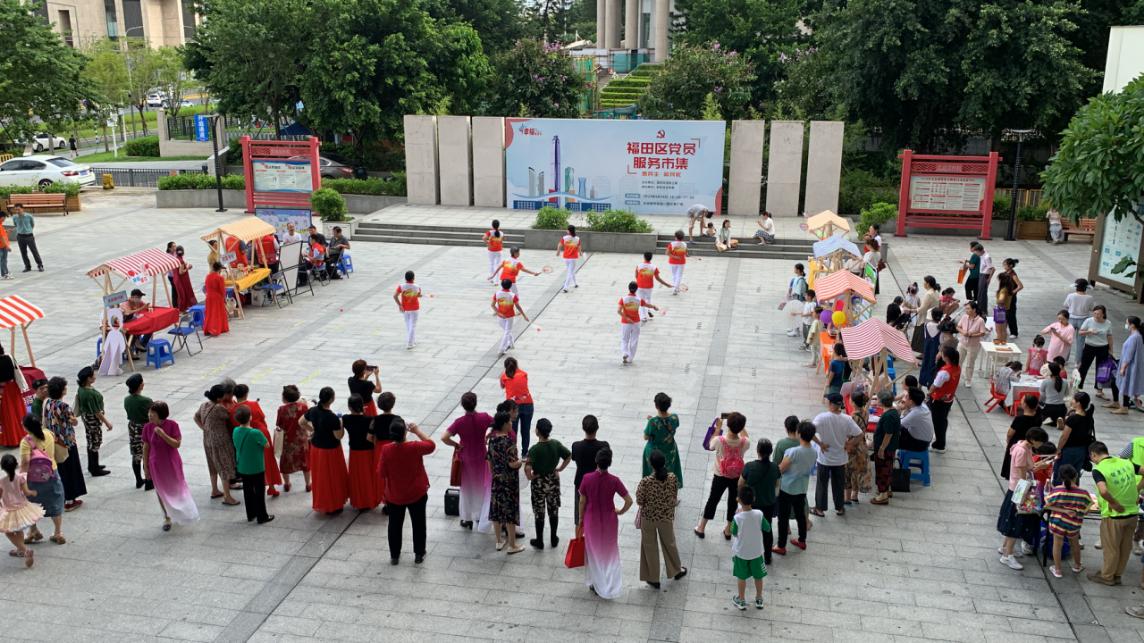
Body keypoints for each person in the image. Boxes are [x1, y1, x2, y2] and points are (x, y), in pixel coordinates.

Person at [577, 448, 632, 599]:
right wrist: (620, 511)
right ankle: (608, 581)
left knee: (593, 552)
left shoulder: (587, 478)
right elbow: (629, 500)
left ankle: (595, 582)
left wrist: (581, 518)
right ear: (609, 463)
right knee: (609, 551)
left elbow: (582, 500)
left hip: (591, 519)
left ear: (596, 461)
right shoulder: (614, 480)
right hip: (609, 520)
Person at [1086, 441, 1144, 585]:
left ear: (1093, 455)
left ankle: (1107, 577)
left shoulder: (1099, 470)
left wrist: (1113, 503)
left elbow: (1103, 490)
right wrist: (1136, 490)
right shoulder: (1125, 462)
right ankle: (1117, 575)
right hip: (1133, 514)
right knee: (1125, 547)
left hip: (1114, 515)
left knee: (1111, 547)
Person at [379, 417, 434, 563]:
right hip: (416, 492)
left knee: (395, 525)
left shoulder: (386, 450)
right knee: (418, 523)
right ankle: (419, 553)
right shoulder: (414, 446)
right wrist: (417, 431)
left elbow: (381, 473)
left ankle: (395, 556)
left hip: (395, 494)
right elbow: (431, 445)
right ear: (405, 433)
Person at [997, 427, 1051, 570]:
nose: (1041, 445)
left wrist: (1038, 466)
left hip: (1017, 489)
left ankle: (1005, 548)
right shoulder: (1022, 450)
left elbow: (1028, 469)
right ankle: (1007, 556)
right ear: (1033, 440)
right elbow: (1022, 476)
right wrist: (1027, 494)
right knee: (1015, 523)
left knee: (1012, 521)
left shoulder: (1023, 446)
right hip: (1019, 491)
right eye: (1040, 441)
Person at [142, 401, 197, 531]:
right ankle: (166, 516)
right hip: (156, 463)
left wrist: (162, 434)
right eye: (149, 413)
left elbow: (176, 444)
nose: (150, 415)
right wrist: (145, 467)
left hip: (172, 462)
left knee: (177, 488)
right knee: (160, 491)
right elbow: (146, 447)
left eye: (153, 414)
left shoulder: (173, 425)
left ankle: (181, 510)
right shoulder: (147, 427)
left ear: (161, 415)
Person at [442, 392, 494, 531]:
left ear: (463, 405)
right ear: (476, 402)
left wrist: (456, 445)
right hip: (482, 456)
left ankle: (467, 518)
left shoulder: (459, 422)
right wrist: (488, 435)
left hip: (466, 458)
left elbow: (444, 437)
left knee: (467, 488)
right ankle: (480, 515)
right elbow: (498, 423)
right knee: (481, 486)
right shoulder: (484, 417)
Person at [695, 412, 749, 538]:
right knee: (733, 502)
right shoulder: (744, 442)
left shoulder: (720, 440)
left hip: (720, 475)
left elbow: (710, 445)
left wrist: (718, 428)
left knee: (713, 500)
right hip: (736, 477)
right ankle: (728, 530)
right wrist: (742, 427)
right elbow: (746, 437)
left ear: (728, 425)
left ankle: (701, 528)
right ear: (741, 427)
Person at [637, 449, 686, 588]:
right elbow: (674, 497)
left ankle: (653, 578)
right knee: (670, 543)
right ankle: (676, 570)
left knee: (649, 546)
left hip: (649, 518)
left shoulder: (646, 482)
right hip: (666, 517)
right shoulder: (672, 478)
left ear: (651, 465)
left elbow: (640, 501)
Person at [810, 394, 862, 517]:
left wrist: (820, 443)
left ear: (831, 404)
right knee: (838, 484)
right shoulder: (847, 419)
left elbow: (809, 430)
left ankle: (820, 509)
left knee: (822, 483)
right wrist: (849, 443)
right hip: (840, 458)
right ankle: (839, 507)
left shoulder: (822, 418)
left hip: (825, 458)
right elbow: (859, 434)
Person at [524, 418, 570, 550]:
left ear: (537, 431)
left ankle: (539, 540)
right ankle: (553, 538)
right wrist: (560, 468)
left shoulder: (534, 449)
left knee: (539, 511)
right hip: (553, 480)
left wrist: (531, 477)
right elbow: (568, 455)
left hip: (539, 482)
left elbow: (527, 467)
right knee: (553, 509)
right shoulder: (555, 444)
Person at [301, 387, 348, 514]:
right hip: (331, 451)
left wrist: (312, 430)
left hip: (317, 448)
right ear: (332, 399)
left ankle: (324, 502)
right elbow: (338, 436)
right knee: (333, 477)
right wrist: (341, 422)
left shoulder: (313, 410)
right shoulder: (332, 417)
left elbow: (301, 422)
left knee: (321, 478)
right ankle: (335, 504)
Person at [773, 421, 817, 554]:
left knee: (783, 517)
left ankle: (781, 545)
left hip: (787, 488)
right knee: (800, 515)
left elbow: (780, 469)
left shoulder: (793, 452)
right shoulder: (814, 452)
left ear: (799, 433)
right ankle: (802, 540)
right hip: (802, 488)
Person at [42, 377, 85, 512]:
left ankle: (59, 497)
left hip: (52, 441)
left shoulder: (47, 402)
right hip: (66, 442)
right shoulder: (64, 406)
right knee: (70, 471)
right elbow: (74, 422)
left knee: (59, 471)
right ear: (62, 390)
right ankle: (69, 500)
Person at [19, 416, 63, 545]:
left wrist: (21, 476)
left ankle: (33, 531)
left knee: (31, 503)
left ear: (26, 427)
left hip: (34, 477)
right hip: (51, 473)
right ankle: (58, 532)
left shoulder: (26, 441)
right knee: (55, 500)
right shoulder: (49, 434)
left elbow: (25, 461)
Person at [1044, 464, 1093, 578]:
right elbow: (1086, 511)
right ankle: (1077, 565)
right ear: (1076, 476)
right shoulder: (1084, 493)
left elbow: (1047, 505)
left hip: (1058, 522)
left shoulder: (1056, 491)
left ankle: (1058, 570)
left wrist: (1063, 510)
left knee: (1057, 545)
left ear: (1060, 478)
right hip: (1074, 524)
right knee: (1074, 543)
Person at [194, 384, 239, 506]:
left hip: (207, 439)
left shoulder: (204, 405)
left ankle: (214, 490)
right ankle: (227, 496)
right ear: (219, 398)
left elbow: (195, 417)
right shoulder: (219, 408)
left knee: (212, 464)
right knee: (224, 466)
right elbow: (231, 416)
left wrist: (204, 428)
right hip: (220, 441)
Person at [233, 384, 281, 497]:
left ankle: (256, 486)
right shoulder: (254, 404)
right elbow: (262, 418)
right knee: (268, 460)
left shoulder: (234, 410)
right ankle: (272, 487)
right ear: (246, 393)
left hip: (246, 434)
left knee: (252, 460)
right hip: (261, 432)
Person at [487, 411, 525, 554]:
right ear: (504, 424)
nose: (511, 423)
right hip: (509, 482)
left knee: (496, 510)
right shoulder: (509, 443)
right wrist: (522, 461)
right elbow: (512, 464)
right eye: (509, 422)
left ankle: (498, 541)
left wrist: (495, 475)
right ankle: (512, 545)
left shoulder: (492, 440)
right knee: (510, 512)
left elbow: (489, 461)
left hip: (496, 480)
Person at [739, 439, 779, 562]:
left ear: (758, 451)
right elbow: (777, 485)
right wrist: (773, 496)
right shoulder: (774, 467)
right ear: (771, 452)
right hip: (768, 503)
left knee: (749, 528)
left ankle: (748, 554)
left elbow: (740, 484)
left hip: (752, 504)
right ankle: (768, 556)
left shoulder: (750, 467)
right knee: (767, 529)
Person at [232, 406, 273, 525]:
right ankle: (262, 516)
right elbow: (267, 445)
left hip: (243, 466)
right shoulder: (255, 432)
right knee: (259, 491)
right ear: (250, 417)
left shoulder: (235, 430)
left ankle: (251, 514)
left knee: (248, 491)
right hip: (256, 466)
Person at [729, 486, 768, 610]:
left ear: (739, 500)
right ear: (754, 499)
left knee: (741, 577)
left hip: (741, 552)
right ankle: (759, 598)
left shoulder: (737, 518)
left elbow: (733, 532)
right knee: (758, 576)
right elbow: (767, 528)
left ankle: (741, 599)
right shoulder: (759, 514)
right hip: (756, 552)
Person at [0, 452, 42, 566]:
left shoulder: (1, 482)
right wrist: (33, 493)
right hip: (22, 507)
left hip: (10, 510)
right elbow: (27, 492)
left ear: (2, 467)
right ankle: (20, 549)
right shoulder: (20, 478)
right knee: (18, 530)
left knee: (8, 532)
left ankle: (24, 549)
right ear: (16, 465)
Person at [341, 395, 380, 512]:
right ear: (362, 406)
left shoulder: (346, 419)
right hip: (368, 452)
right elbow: (374, 438)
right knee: (368, 476)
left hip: (354, 452)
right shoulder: (370, 420)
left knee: (357, 477)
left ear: (349, 407)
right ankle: (369, 499)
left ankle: (359, 501)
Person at [74, 366, 112, 478]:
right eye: (93, 375)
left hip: (87, 417)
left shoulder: (82, 389)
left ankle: (94, 465)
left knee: (91, 441)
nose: (95, 377)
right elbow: (96, 412)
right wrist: (107, 422)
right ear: (88, 379)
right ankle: (94, 469)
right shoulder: (88, 394)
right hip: (92, 419)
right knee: (94, 441)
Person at [571, 415, 609, 526]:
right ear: (597, 428)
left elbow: (573, 458)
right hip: (599, 483)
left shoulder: (576, 446)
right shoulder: (604, 446)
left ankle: (579, 540)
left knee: (579, 517)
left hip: (581, 482)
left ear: (583, 428)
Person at [643, 392, 683, 489]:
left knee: (653, 473)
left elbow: (646, 437)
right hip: (670, 450)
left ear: (656, 406)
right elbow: (673, 425)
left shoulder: (652, 422)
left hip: (654, 452)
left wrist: (650, 421)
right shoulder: (674, 418)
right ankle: (670, 492)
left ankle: (653, 491)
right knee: (670, 472)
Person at [275, 385, 310, 493]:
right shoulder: (303, 407)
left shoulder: (281, 409)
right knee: (305, 462)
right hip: (301, 439)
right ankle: (308, 484)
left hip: (287, 441)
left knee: (285, 462)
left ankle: (287, 483)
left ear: (285, 398)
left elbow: (279, 424)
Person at [1054, 392, 1095, 483]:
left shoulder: (1073, 419)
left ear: (1078, 403)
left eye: (1073, 399)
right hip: (1082, 450)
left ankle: (1059, 493)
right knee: (1075, 475)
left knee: (1062, 474)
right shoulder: (1089, 418)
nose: (1071, 401)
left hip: (1069, 451)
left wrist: (1059, 449)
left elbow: (1064, 437)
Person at [869, 391, 900, 505]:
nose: (875, 401)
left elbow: (888, 434)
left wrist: (882, 448)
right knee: (887, 468)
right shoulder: (891, 411)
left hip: (886, 448)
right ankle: (886, 490)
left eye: (877, 399)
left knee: (883, 470)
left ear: (882, 402)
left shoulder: (889, 416)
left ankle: (883, 495)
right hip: (888, 447)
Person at [927, 346, 960, 453]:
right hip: (949, 399)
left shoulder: (944, 372)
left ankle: (940, 445)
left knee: (938, 422)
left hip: (939, 400)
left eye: (941, 352)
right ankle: (940, 440)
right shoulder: (957, 367)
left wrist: (928, 394)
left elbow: (934, 386)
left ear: (945, 357)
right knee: (942, 420)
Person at [123, 374, 153, 489]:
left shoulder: (127, 399)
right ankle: (149, 480)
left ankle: (138, 480)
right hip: (144, 428)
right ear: (140, 385)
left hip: (132, 427)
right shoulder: (146, 400)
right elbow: (152, 414)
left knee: (136, 454)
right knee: (147, 453)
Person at [618, 281, 658, 365]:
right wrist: (654, 307)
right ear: (636, 290)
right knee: (634, 340)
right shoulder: (638, 300)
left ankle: (625, 353)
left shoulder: (623, 299)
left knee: (624, 339)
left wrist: (627, 318)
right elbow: (647, 305)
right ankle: (630, 358)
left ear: (629, 288)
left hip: (626, 322)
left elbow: (619, 311)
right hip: (636, 322)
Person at [499, 357, 535, 453]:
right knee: (525, 430)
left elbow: (502, 386)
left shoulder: (504, 376)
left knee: (512, 431)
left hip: (512, 407)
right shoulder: (524, 374)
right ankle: (525, 453)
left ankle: (513, 452)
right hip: (528, 404)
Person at [1110, 316, 1144, 414]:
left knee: (1125, 385)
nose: (1126, 325)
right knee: (1123, 384)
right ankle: (1120, 403)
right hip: (1130, 365)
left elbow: (1129, 353)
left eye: (1127, 323)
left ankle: (1124, 407)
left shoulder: (1135, 337)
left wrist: (1123, 367)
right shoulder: (1135, 335)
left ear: (1132, 325)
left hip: (1129, 366)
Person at [1078, 305, 1114, 391]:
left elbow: (1109, 336)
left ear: (1103, 314)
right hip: (1089, 347)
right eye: (1094, 313)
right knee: (1083, 367)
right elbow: (1080, 332)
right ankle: (1078, 387)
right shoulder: (1088, 321)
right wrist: (1089, 332)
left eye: (1098, 314)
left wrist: (1111, 349)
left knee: (1102, 369)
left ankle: (1099, 390)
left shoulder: (1108, 323)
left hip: (1103, 348)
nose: (1096, 315)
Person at [845, 392, 872, 503]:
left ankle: (846, 497)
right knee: (857, 470)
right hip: (862, 445)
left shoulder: (852, 417)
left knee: (848, 471)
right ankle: (854, 495)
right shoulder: (866, 412)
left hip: (853, 445)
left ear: (853, 402)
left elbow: (849, 433)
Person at [492, 278, 529, 356]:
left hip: (501, 316)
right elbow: (518, 307)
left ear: (501, 285)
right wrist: (524, 315)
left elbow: (492, 305)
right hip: (509, 316)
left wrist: (498, 313)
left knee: (507, 331)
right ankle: (506, 346)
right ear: (510, 286)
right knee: (507, 331)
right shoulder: (513, 295)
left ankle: (505, 347)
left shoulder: (497, 293)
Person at [635, 252, 672, 323]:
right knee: (648, 300)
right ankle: (647, 312)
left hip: (640, 286)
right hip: (649, 286)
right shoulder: (654, 267)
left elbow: (636, 275)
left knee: (642, 301)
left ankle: (643, 317)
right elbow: (658, 278)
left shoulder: (639, 266)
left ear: (644, 257)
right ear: (651, 258)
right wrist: (667, 285)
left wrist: (640, 281)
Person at [1064, 279, 1095, 365]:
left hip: (1071, 319)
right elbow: (1092, 308)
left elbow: (1066, 305)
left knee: (1067, 339)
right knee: (1081, 342)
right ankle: (1077, 361)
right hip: (1084, 320)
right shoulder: (1089, 298)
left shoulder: (1071, 296)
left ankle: (1065, 359)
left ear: (1076, 287)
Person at [0, 345, 24, 447]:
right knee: (19, 413)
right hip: (14, 387)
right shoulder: (9, 357)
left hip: (3, 391)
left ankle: (13, 440)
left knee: (8, 416)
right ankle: (23, 435)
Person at [898, 387, 934, 453]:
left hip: (920, 443)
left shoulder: (916, 413)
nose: (904, 399)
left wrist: (899, 409)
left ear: (911, 401)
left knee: (891, 438)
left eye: (906, 397)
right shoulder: (921, 404)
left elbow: (898, 424)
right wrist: (906, 406)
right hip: (924, 438)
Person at [10, 204, 43, 273]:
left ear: (22, 209)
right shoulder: (14, 217)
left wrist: (28, 230)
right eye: (16, 209)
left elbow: (32, 225)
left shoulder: (29, 216)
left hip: (29, 236)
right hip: (20, 236)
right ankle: (27, 266)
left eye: (18, 209)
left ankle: (40, 265)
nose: (17, 211)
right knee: (23, 252)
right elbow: (15, 225)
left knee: (34, 251)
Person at [997, 258, 1024, 339]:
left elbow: (1020, 286)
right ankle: (1004, 329)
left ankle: (1014, 332)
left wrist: (1012, 293)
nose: (1004, 266)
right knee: (1004, 313)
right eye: (1004, 264)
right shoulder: (1006, 273)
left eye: (1005, 265)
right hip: (1004, 297)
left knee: (1011, 314)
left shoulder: (1013, 275)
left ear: (1011, 265)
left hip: (1010, 298)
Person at [202, 262, 229, 337]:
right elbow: (222, 290)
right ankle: (217, 329)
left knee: (209, 313)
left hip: (209, 297)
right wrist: (224, 299)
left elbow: (206, 287)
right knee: (217, 314)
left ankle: (208, 328)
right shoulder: (220, 278)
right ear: (220, 269)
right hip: (217, 298)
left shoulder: (208, 276)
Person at [918, 309, 944, 387]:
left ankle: (921, 383)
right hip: (936, 351)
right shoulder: (941, 328)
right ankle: (930, 383)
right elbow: (942, 341)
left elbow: (926, 336)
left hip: (927, 349)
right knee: (933, 367)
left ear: (932, 316)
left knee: (924, 364)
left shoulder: (927, 325)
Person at [556, 225, 582, 292]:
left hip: (566, 258)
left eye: (567, 230)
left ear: (569, 231)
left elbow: (559, 245)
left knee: (570, 271)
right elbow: (579, 247)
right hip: (573, 258)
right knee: (570, 272)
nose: (566, 231)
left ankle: (575, 283)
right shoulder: (577, 239)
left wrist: (558, 252)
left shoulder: (564, 238)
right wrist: (580, 253)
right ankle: (565, 287)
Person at [171, 246, 197, 312]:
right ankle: (182, 310)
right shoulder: (181, 260)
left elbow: (178, 269)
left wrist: (186, 265)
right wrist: (187, 268)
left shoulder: (176, 259)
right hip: (182, 280)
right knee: (185, 293)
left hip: (176, 279)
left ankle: (183, 309)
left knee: (181, 294)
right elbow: (181, 272)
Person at [785, 263, 809, 336]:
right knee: (793, 314)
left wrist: (791, 296)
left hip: (798, 300)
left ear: (798, 270)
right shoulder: (797, 278)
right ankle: (793, 328)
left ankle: (796, 331)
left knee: (796, 315)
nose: (794, 270)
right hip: (795, 299)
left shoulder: (801, 280)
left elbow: (799, 292)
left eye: (795, 268)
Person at [665, 231, 688, 295]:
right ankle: (676, 288)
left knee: (674, 275)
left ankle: (676, 288)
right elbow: (686, 253)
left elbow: (667, 253)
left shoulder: (672, 244)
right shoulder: (684, 244)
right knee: (679, 276)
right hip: (681, 262)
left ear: (675, 237)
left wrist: (674, 257)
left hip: (672, 262)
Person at [0, 212, 10, 280]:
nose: (4, 219)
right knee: (3, 260)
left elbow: (2, 234)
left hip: (3, 246)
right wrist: (7, 246)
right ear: (1, 217)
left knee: (3, 260)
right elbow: (1, 237)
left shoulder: (1, 225)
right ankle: (6, 274)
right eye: (4, 217)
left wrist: (6, 231)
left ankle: (3, 274)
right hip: (2, 246)